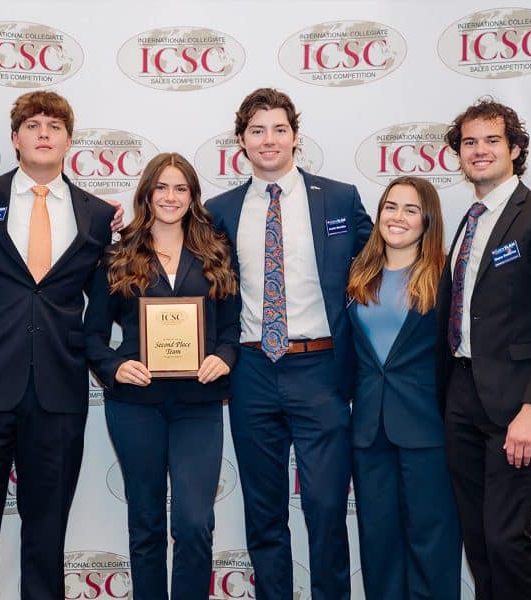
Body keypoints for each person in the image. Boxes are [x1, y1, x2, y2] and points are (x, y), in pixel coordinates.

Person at [0, 91, 118, 600]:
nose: (44, 132)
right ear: (16, 137)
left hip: (60, 390)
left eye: (55, 125)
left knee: (47, 531)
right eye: (33, 124)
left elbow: (102, 307)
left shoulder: (97, 215)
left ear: (69, 139)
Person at [205, 88, 372, 600]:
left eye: (279, 129)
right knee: (264, 510)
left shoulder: (339, 198)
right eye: (257, 131)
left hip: (320, 370)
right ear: (241, 141)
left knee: (325, 507)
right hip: (252, 371)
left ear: (296, 138)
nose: (269, 140)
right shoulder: (220, 209)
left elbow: (384, 263)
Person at [437, 98, 531, 600]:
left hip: (518, 404)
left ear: (516, 149)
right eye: (469, 142)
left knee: (505, 539)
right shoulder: (467, 220)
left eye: (492, 140)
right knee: (478, 540)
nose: (479, 151)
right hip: (461, 395)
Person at [83, 152, 240, 600]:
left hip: (198, 405)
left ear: (192, 197)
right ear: (147, 193)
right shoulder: (117, 255)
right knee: (146, 522)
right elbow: (92, 335)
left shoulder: (215, 253)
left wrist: (225, 356)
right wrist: (114, 366)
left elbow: (231, 328)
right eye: (162, 188)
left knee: (193, 522)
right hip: (136, 406)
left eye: (180, 189)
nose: (170, 197)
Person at [346, 176, 461, 600]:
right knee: (378, 543)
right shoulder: (358, 273)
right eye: (390, 207)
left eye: (411, 210)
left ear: (427, 219)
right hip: (369, 432)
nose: (397, 217)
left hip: (427, 428)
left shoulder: (446, 275)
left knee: (432, 541)